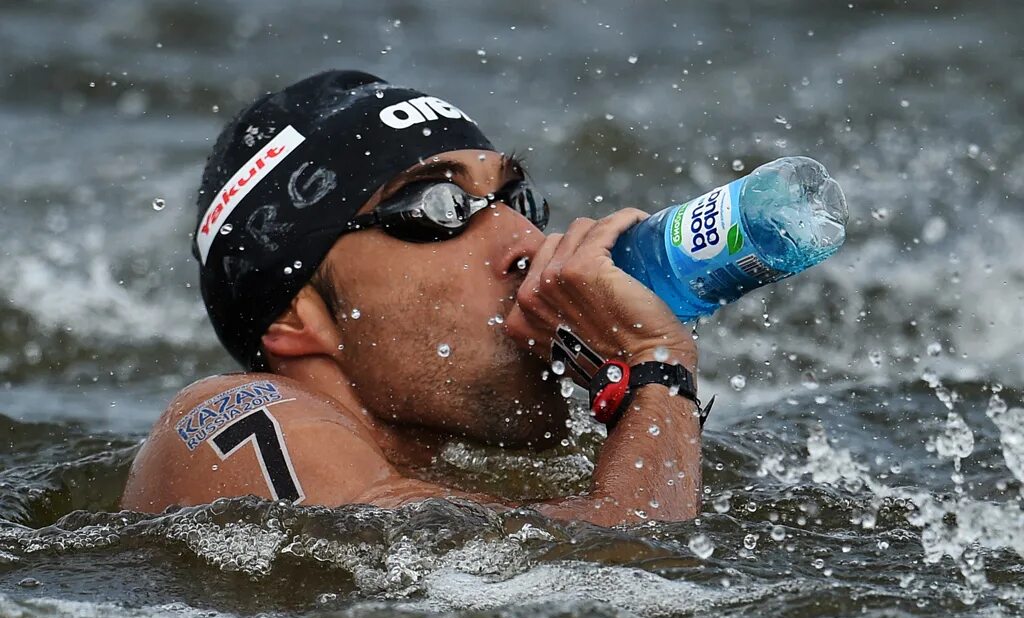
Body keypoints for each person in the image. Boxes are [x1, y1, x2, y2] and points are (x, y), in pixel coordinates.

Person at [121, 70, 703, 527]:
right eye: (439, 208)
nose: (529, 242)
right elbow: (624, 561)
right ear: (299, 315)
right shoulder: (227, 419)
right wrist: (659, 369)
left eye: (516, 200)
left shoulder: (457, 483)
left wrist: (632, 397)